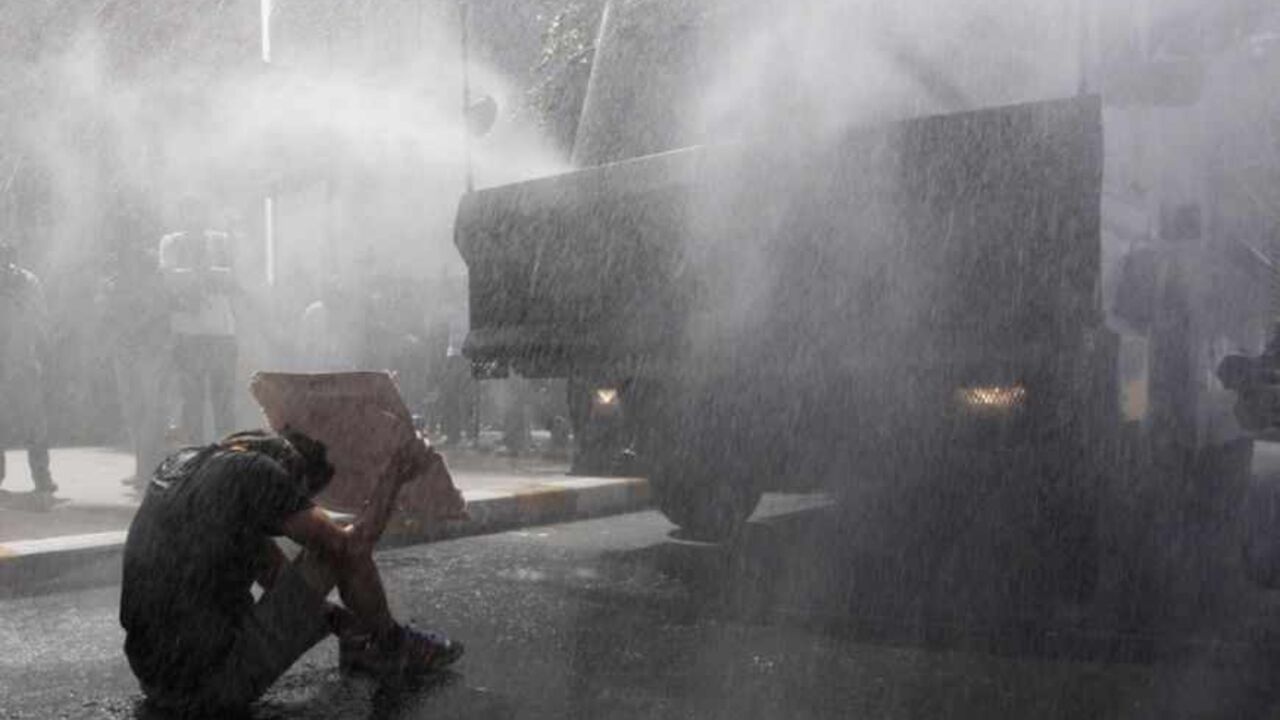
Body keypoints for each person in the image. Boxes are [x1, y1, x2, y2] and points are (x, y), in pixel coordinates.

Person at [120, 427, 463, 715]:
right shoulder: (259, 472)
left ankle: (362, 644)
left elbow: (277, 577)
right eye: (297, 491)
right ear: (287, 467)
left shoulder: (187, 465)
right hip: (209, 691)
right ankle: (394, 648)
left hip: (155, 681)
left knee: (317, 552)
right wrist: (395, 474)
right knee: (331, 552)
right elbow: (348, 549)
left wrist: (344, 625)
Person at [158, 196, 238, 443]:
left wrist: (195, 277)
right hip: (188, 334)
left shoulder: (220, 241)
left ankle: (228, 459)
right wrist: (205, 276)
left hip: (221, 333)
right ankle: (195, 458)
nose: (194, 219)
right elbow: (169, 280)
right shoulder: (171, 242)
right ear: (182, 216)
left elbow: (234, 277)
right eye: (189, 213)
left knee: (223, 401)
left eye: (199, 212)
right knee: (191, 402)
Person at [100, 242, 172, 484]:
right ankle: (142, 467)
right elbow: (107, 317)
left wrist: (133, 329)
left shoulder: (154, 284)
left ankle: (151, 468)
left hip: (149, 354)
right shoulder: (115, 285)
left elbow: (157, 314)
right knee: (134, 412)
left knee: (151, 412)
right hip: (127, 353)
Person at [0, 240, 55, 494]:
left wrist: (42, 351)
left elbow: (40, 317)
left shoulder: (27, 282)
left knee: (35, 424)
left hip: (24, 362)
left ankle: (41, 476)